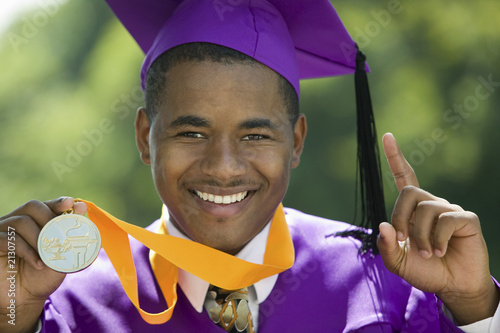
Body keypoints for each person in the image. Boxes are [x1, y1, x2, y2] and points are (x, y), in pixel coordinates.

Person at [1, 1, 499, 332]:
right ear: (144, 137)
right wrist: (7, 311)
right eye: (190, 133)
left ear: (297, 141)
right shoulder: (64, 305)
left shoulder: (383, 284)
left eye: (256, 135)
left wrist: (477, 307)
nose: (222, 167)